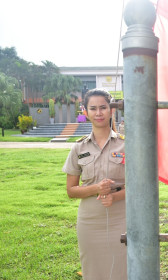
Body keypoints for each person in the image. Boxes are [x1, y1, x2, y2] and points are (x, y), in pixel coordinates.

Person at [62, 88, 127, 279]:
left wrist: (114, 196)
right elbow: (71, 190)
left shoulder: (126, 144)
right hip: (90, 220)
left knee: (123, 267)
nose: (98, 113)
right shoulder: (78, 147)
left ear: (111, 110)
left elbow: (141, 187)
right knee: (93, 269)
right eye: (93, 108)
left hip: (122, 216)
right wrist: (96, 188)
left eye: (103, 108)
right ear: (85, 112)